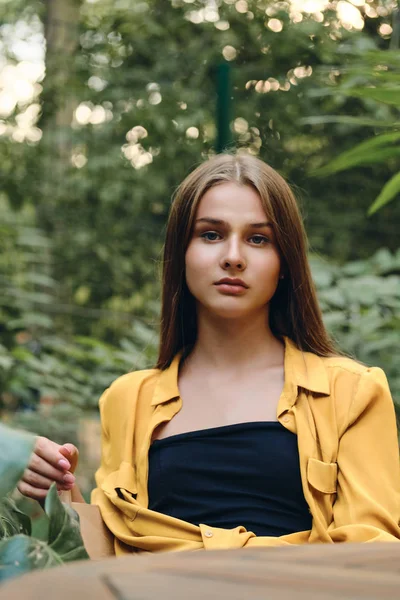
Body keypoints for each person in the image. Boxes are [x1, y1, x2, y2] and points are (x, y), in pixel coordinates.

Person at [18, 153, 400, 553]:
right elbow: (108, 557)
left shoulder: (352, 392)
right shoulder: (127, 400)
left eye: (258, 238)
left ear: (284, 262)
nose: (233, 256)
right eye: (211, 234)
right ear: (180, 253)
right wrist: (55, 489)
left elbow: (369, 552)